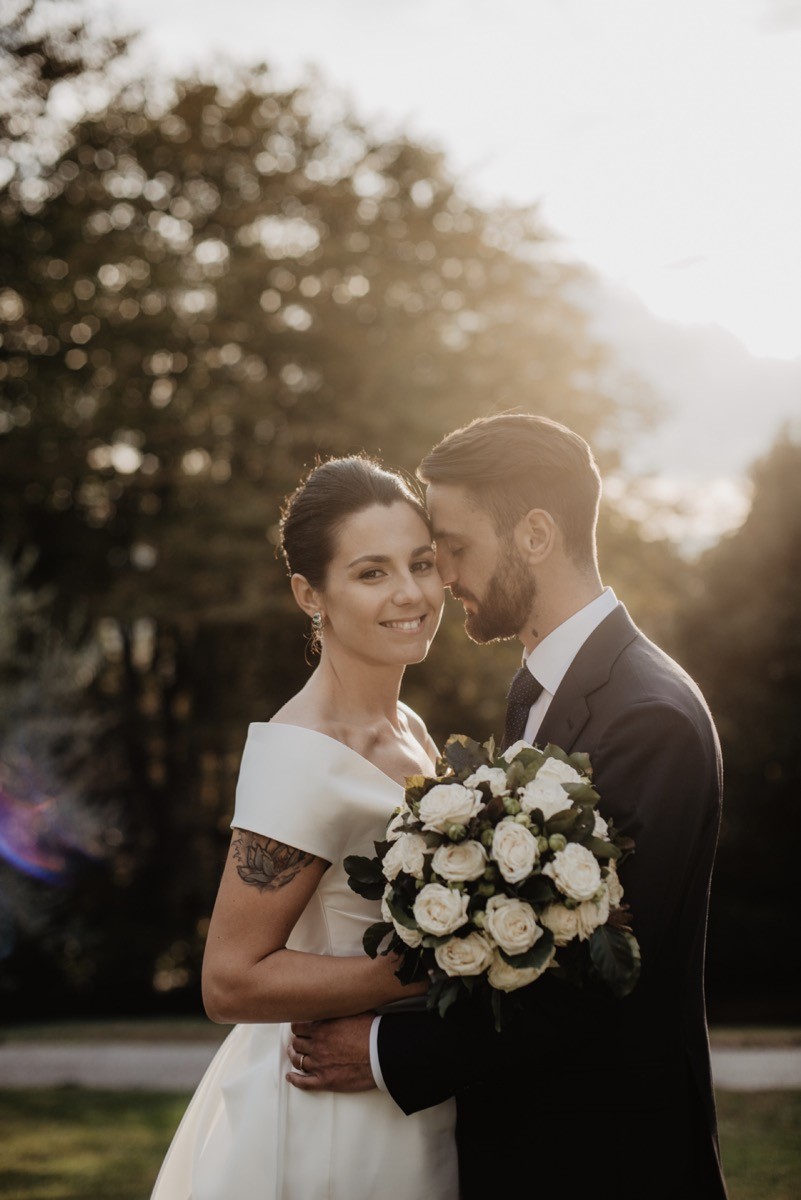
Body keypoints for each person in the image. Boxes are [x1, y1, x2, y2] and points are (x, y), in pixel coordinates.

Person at [287, 414, 729, 1200]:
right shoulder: (541, 689)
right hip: (531, 1149)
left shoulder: (645, 714)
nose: (439, 577)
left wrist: (391, 1053)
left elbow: (599, 978)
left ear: (532, 534)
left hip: (611, 1157)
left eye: (451, 547)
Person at [151, 456, 459, 1200]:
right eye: (371, 573)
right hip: (334, 1116)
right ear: (308, 594)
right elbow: (229, 979)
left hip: (408, 1094)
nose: (411, 593)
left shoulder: (409, 727)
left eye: (420, 563)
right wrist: (420, 973)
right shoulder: (303, 752)